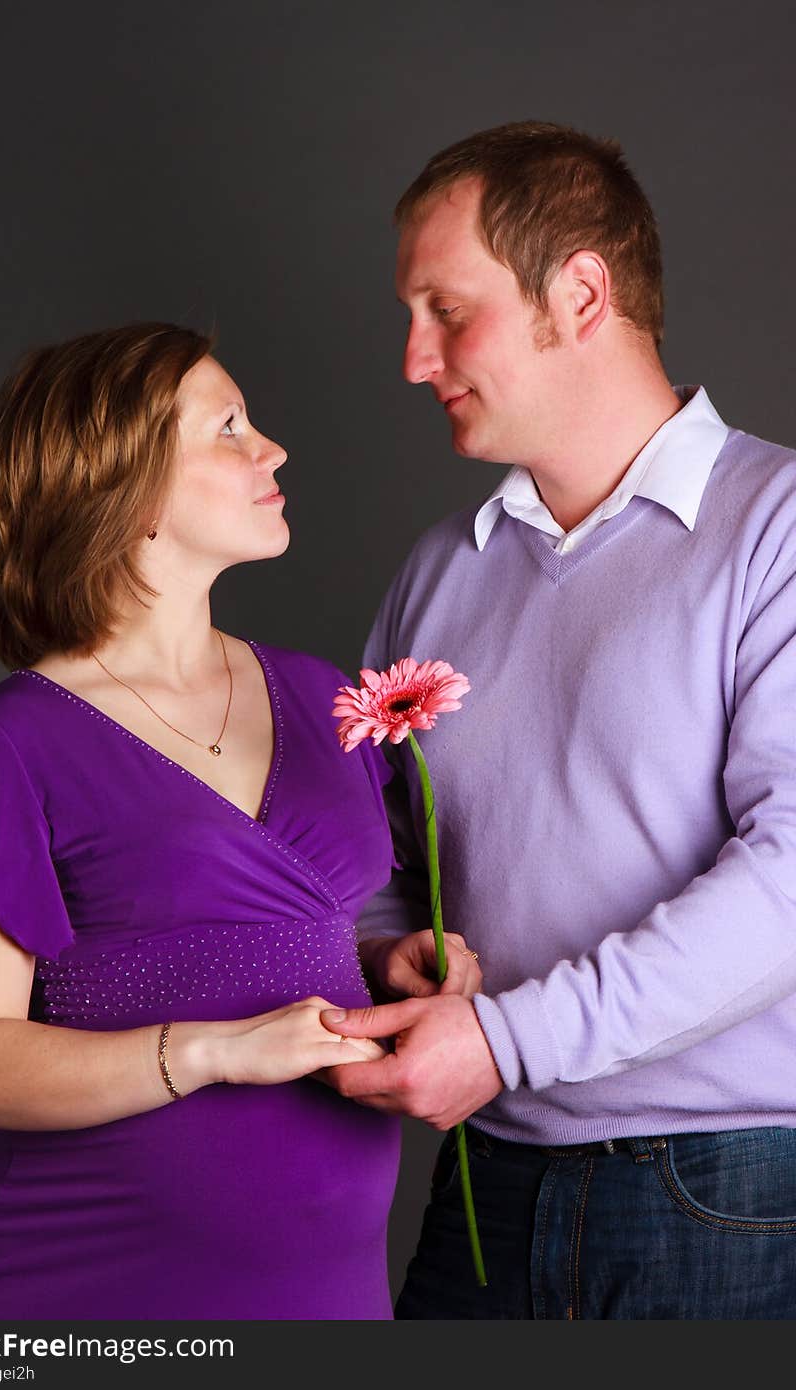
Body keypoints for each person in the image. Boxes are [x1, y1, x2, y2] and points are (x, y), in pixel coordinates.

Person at [320, 121, 796, 1319]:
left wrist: (508, 1041)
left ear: (577, 292)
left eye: (445, 309)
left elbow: (789, 878)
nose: (414, 359)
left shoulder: (776, 531)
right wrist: (390, 950)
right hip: (485, 1187)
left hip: (724, 1192)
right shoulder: (437, 573)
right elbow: (366, 854)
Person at [0, 321, 482, 1320]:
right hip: (88, 1281)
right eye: (230, 427)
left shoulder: (320, 698)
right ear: (125, 492)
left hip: (328, 1287)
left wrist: (382, 962)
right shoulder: (6, 746)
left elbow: (277, 938)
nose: (273, 449)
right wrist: (218, 1050)